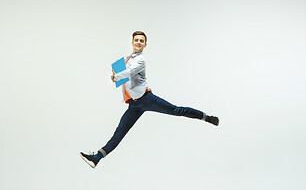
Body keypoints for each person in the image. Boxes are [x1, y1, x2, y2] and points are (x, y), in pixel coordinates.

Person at [80, 31, 219, 168]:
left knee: (176, 110)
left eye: (141, 41)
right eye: (136, 40)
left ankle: (206, 117)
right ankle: (96, 158)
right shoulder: (126, 59)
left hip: (147, 99)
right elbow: (125, 79)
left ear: (145, 45)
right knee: (119, 133)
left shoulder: (141, 59)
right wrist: (116, 75)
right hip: (133, 106)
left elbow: (130, 72)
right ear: (132, 42)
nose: (138, 42)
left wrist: (116, 77)